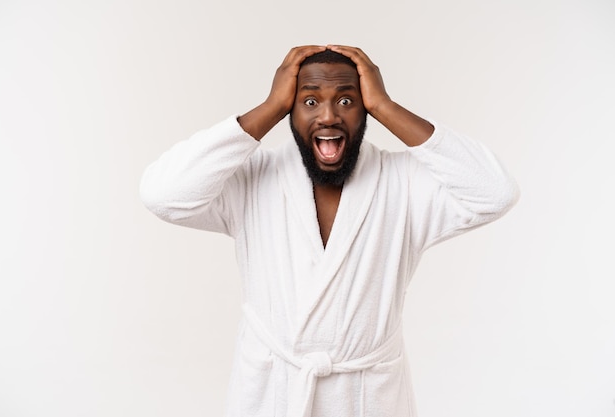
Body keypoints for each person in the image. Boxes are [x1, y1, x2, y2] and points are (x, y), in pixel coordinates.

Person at [140, 45, 519, 417]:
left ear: (366, 108)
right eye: (308, 102)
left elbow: (495, 192)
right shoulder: (254, 180)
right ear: (288, 109)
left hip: (368, 397)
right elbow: (164, 194)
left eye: (346, 101)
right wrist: (270, 107)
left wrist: (386, 107)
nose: (328, 117)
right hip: (275, 394)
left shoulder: (403, 184)